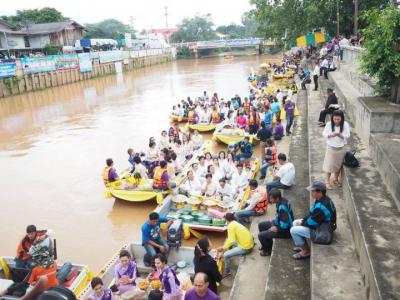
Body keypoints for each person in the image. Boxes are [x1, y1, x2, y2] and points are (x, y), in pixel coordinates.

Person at [290, 181, 336, 260]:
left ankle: (306, 252)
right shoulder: (322, 199)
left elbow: (312, 223)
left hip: (324, 230)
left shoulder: (321, 206)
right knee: (295, 222)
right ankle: (303, 246)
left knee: (293, 230)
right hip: (322, 223)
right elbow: (312, 215)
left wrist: (302, 223)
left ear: (320, 192)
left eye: (313, 191)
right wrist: (303, 221)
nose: (311, 193)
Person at [257, 189, 294, 256]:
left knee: (261, 235)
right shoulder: (281, 201)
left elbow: (285, 225)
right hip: (279, 224)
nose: (270, 200)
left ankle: (268, 250)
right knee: (261, 225)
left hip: (285, 231)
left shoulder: (282, 207)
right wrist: (275, 222)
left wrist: (276, 227)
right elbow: (280, 216)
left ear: (277, 198)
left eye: (271, 198)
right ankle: (267, 245)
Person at [322, 110, 350, 189]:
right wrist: (331, 135)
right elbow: (324, 133)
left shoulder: (345, 124)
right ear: (332, 118)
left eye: (338, 119)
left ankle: (336, 179)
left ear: (342, 119)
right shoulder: (329, 124)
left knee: (338, 166)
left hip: (341, 148)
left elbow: (347, 135)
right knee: (329, 165)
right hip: (331, 147)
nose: (336, 121)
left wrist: (340, 135)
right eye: (335, 119)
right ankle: (327, 181)